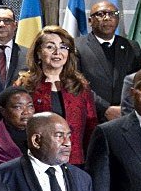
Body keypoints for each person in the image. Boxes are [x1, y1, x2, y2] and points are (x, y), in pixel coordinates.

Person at [21, 25, 99, 163]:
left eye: (63, 47)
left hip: (75, 162)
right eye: (50, 47)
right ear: (39, 53)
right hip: (37, 161)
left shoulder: (80, 85)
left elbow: (91, 126)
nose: (57, 52)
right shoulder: (25, 85)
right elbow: (19, 126)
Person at [74, 1, 140, 118]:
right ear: (90, 21)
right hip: (90, 114)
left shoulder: (131, 46)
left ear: (118, 19)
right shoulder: (76, 46)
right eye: (100, 14)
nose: (107, 18)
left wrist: (125, 107)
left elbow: (137, 81)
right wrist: (105, 108)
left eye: (112, 14)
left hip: (124, 115)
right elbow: (75, 82)